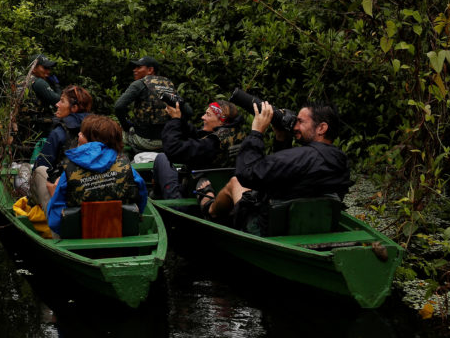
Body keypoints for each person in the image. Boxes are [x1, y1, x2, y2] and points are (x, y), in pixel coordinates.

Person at [197, 101, 351, 235]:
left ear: (321, 128)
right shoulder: (340, 160)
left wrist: (256, 133)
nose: (295, 127)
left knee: (235, 181)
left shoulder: (300, 156)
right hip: (313, 223)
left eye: (301, 122)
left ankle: (209, 209)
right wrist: (281, 138)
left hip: (268, 228)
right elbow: (285, 173)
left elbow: (247, 174)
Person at [46, 115, 147, 237]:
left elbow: (55, 221)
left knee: (44, 178)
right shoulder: (127, 167)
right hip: (121, 233)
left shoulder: (68, 172)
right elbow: (141, 201)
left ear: (92, 141)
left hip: (77, 240)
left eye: (83, 134)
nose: (78, 134)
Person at [151, 100, 246, 198]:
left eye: (208, 115)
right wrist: (181, 120)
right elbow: (198, 136)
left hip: (192, 197)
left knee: (162, 158)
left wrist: (174, 121)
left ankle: (159, 199)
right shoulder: (236, 134)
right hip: (223, 195)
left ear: (222, 121)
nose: (202, 117)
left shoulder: (212, 145)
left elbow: (174, 150)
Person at [29, 85, 92, 206]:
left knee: (38, 170)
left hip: (63, 189)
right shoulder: (97, 128)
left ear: (74, 108)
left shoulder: (59, 132)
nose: (57, 104)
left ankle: (50, 213)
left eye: (62, 101)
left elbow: (43, 164)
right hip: (91, 187)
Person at [113, 56, 182, 152]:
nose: (134, 70)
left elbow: (118, 107)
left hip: (145, 141)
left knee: (118, 132)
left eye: (139, 67)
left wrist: (126, 126)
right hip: (168, 139)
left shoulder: (139, 84)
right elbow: (188, 111)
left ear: (150, 70)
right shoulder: (168, 84)